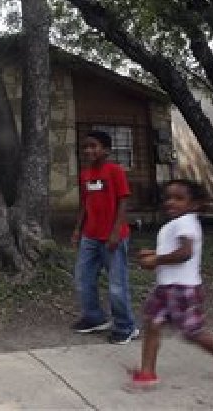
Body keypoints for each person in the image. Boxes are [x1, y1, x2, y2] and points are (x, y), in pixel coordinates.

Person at [132, 179, 213, 388]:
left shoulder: (186, 222)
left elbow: (185, 253)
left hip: (182, 289)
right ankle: (147, 372)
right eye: (168, 198)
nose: (171, 202)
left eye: (179, 198)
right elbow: (177, 251)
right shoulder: (177, 223)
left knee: (192, 332)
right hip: (165, 287)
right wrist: (155, 254)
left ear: (194, 204)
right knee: (152, 323)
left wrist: (156, 260)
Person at [71, 130, 139, 344]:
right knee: (83, 278)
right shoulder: (85, 174)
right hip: (90, 236)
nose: (89, 150)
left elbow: (123, 202)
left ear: (106, 150)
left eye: (94, 146)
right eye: (85, 147)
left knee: (117, 284)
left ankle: (126, 326)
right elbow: (85, 204)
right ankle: (94, 317)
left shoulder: (115, 171)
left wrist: (116, 232)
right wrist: (77, 229)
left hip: (112, 237)